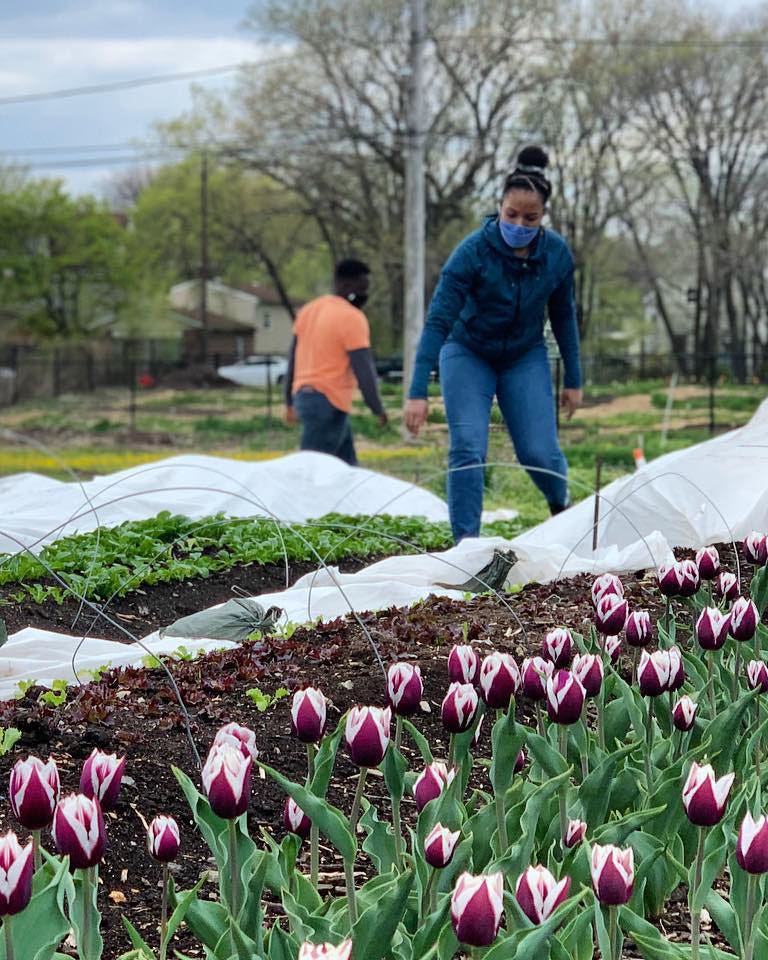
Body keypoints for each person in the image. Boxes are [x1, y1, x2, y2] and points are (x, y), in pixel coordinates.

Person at [403, 146, 582, 542]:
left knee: (540, 452)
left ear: (542, 218)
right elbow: (437, 322)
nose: (519, 223)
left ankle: (561, 507)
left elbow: (564, 316)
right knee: (468, 447)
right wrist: (417, 391)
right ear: (498, 207)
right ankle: (466, 545)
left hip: (524, 356)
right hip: (468, 352)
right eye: (511, 215)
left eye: (530, 218)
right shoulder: (472, 253)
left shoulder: (555, 254)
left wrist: (574, 377)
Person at [284, 258, 387, 465]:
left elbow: (293, 360)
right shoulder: (352, 317)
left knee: (347, 471)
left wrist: (288, 401)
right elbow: (363, 369)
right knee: (311, 473)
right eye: (361, 289)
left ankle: (355, 497)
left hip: (306, 398)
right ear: (344, 285)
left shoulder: (308, 310)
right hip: (328, 404)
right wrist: (377, 408)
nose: (364, 295)